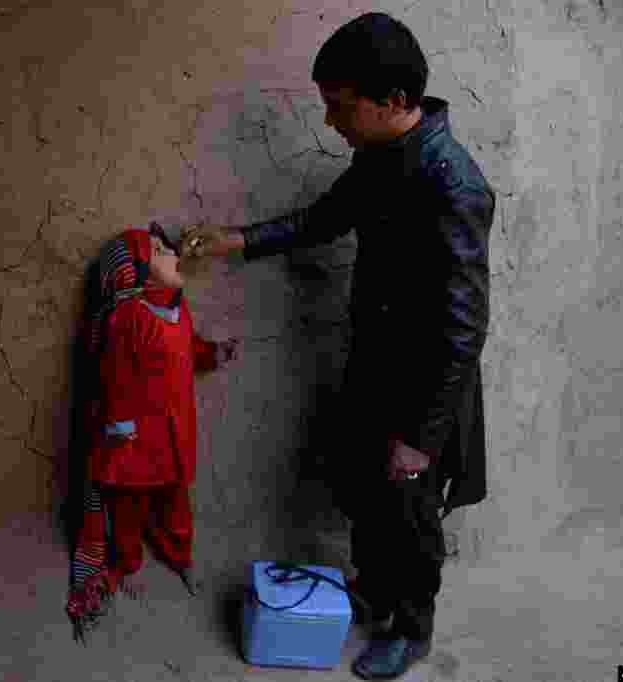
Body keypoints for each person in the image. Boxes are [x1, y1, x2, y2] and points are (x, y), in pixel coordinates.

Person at [181, 12, 495, 680]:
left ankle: (412, 629)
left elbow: (464, 328)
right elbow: (325, 219)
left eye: (340, 107)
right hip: (374, 364)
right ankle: (376, 594)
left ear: (396, 102)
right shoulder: (380, 158)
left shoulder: (454, 185)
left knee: (409, 509)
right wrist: (237, 240)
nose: (331, 122)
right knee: (365, 491)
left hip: (423, 385)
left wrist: (422, 434)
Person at [65, 222, 239, 642]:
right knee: (129, 509)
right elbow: (114, 376)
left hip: (174, 434)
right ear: (134, 272)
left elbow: (187, 348)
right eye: (159, 249)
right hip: (137, 439)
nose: (172, 250)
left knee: (175, 502)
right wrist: (119, 428)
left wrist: (212, 353)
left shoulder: (177, 310)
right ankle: (126, 565)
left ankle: (179, 557)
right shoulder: (127, 316)